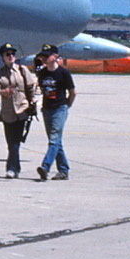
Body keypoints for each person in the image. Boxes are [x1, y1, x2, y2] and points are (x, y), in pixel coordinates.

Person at [0, 43, 38, 178]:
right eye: (8, 54)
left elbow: (31, 86)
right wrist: (3, 91)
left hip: (22, 109)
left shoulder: (22, 70)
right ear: (2, 57)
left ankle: (11, 168)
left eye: (13, 54)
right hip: (8, 112)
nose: (11, 56)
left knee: (15, 141)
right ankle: (16, 167)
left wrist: (32, 100)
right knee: (10, 142)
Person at [34, 44, 75, 181]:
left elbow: (73, 92)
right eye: (42, 56)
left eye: (47, 56)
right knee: (56, 141)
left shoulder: (63, 73)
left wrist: (67, 105)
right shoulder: (42, 73)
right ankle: (63, 170)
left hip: (59, 108)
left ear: (55, 57)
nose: (44, 59)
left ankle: (45, 166)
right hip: (47, 109)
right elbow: (42, 89)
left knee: (53, 139)